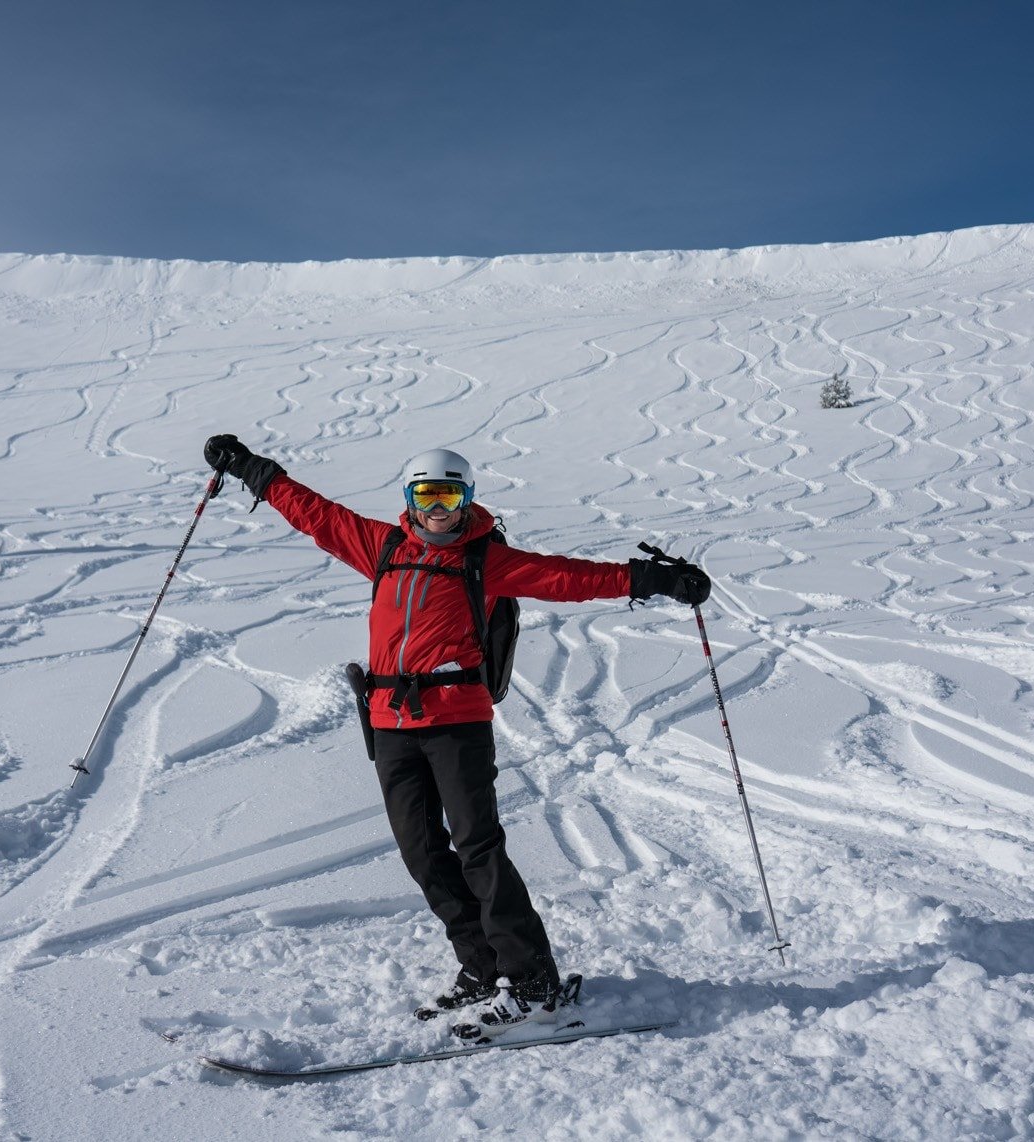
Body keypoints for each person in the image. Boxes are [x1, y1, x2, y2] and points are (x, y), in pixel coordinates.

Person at [201, 435, 711, 1030]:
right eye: (427, 496)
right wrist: (252, 470)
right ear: (411, 499)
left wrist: (653, 579)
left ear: (467, 499)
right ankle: (481, 967)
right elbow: (315, 513)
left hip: (458, 721)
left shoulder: (484, 560)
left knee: (477, 848)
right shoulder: (381, 546)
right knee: (422, 854)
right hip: (390, 722)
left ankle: (533, 980)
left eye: (449, 497)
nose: (438, 510)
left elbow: (568, 578)